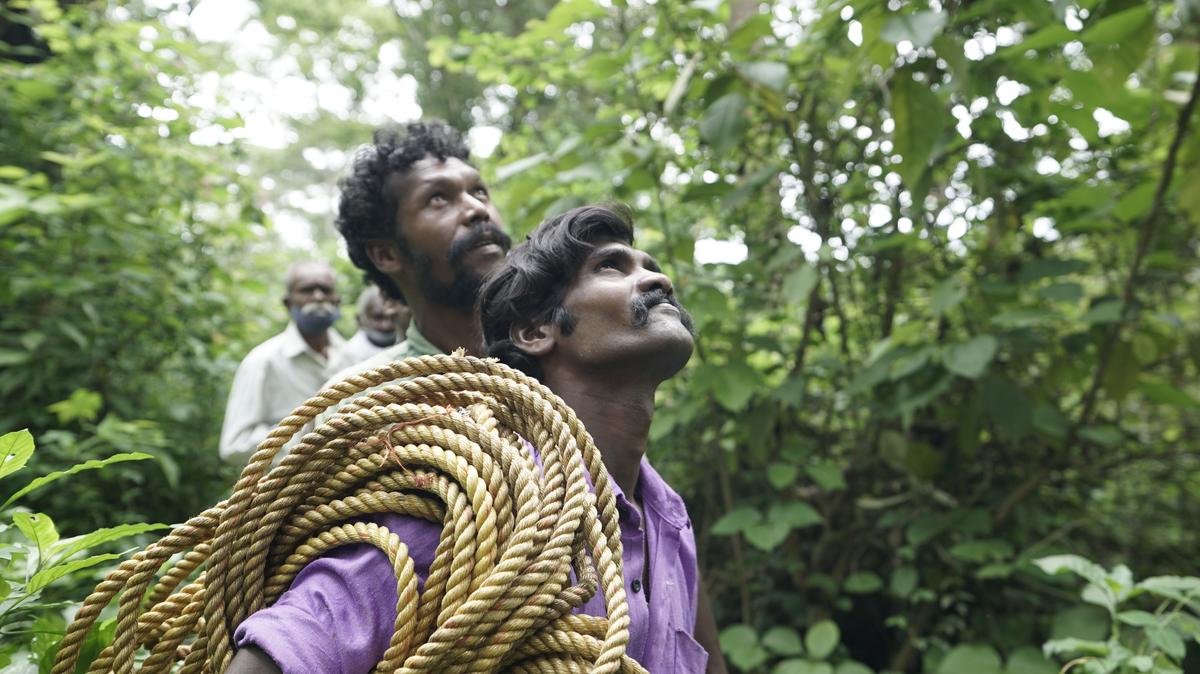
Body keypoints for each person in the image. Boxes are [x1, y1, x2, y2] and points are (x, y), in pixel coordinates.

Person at [227, 205, 727, 673]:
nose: (659, 279)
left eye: (652, 266)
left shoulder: (669, 515)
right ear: (536, 331)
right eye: (612, 267)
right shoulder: (478, 497)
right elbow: (282, 649)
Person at [321, 120, 512, 395]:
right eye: (438, 198)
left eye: (479, 191)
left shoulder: (569, 356)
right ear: (386, 254)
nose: (477, 209)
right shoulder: (361, 401)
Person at [218, 260, 346, 465]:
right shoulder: (263, 361)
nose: (318, 296)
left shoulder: (352, 358)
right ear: (288, 303)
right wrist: (307, 435)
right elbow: (234, 446)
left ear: (337, 300)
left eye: (325, 289)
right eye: (307, 290)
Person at [329, 285, 403, 371]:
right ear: (360, 320)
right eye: (378, 318)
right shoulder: (348, 356)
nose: (386, 325)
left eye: (390, 317)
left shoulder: (409, 345)